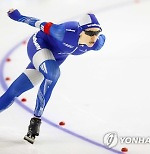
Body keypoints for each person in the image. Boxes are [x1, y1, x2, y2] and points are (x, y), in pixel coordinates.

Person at [0, 9, 106, 143]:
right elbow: (38, 23)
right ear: (80, 31)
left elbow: (103, 39)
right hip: (39, 43)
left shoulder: (95, 44)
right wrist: (18, 16)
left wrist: (100, 36)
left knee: (14, 91)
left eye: (97, 33)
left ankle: (36, 118)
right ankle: (36, 120)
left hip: (55, 58)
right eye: (90, 33)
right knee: (54, 74)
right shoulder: (63, 32)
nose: (94, 37)